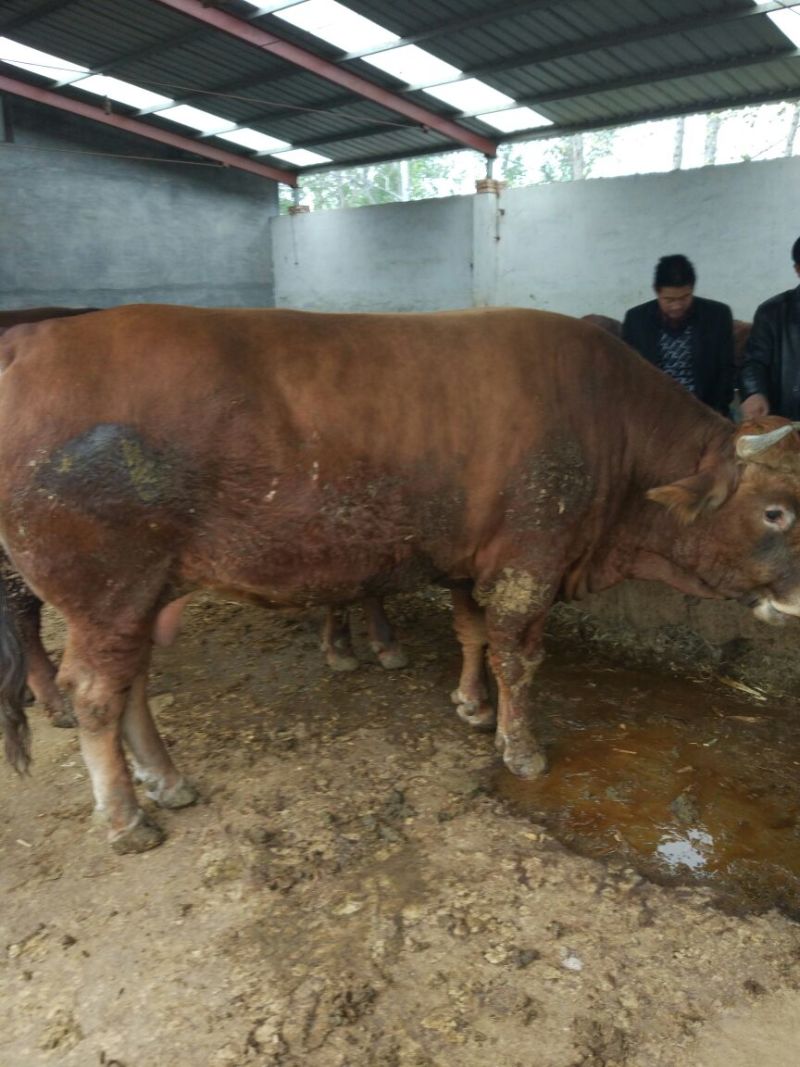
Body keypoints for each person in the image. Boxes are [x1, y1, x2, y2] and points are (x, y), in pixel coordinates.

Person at [622, 254, 734, 416]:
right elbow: (630, 375)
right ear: (656, 290)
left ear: (692, 289)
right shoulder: (636, 320)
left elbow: (726, 372)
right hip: (654, 411)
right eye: (669, 299)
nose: (677, 306)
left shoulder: (717, 316)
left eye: (684, 297)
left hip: (705, 410)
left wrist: (712, 413)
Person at [739, 237, 800, 419]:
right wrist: (754, 392)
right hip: (787, 422)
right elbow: (754, 361)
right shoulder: (772, 312)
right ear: (798, 270)